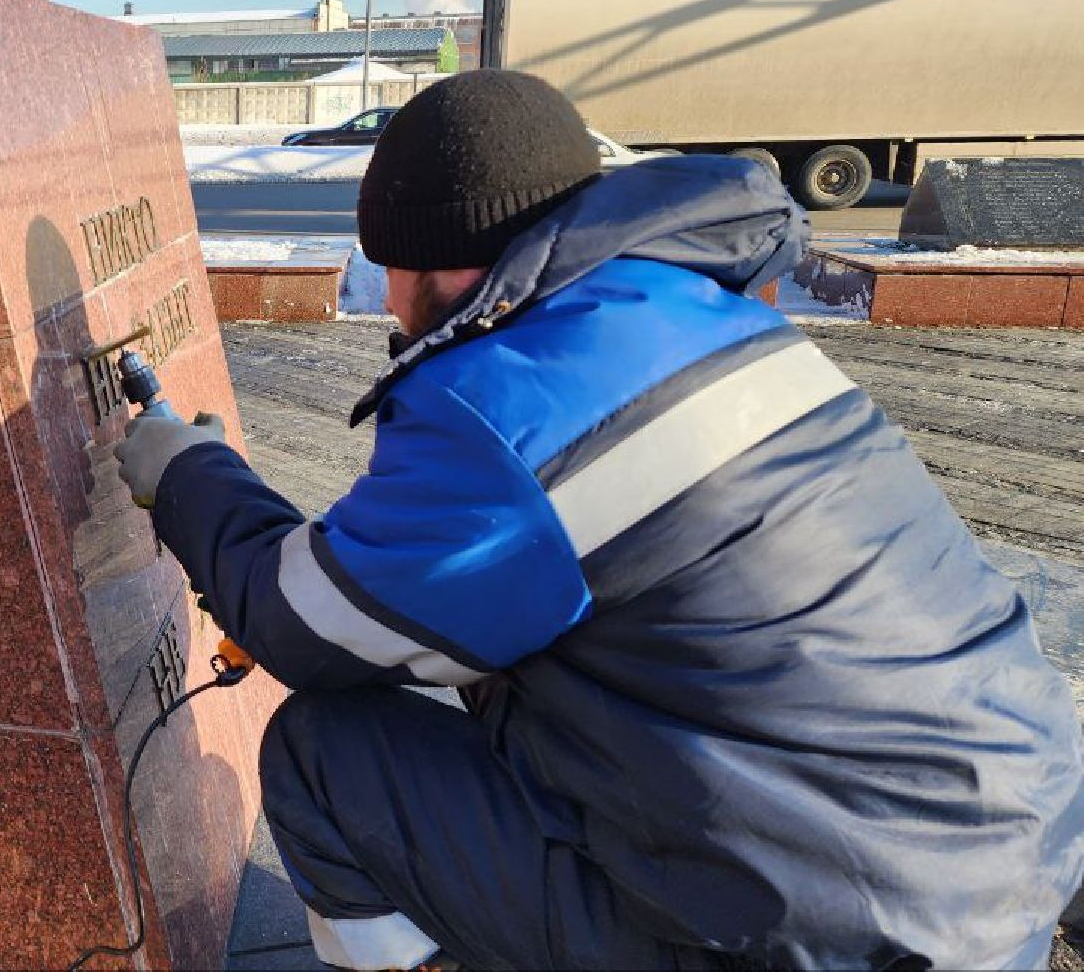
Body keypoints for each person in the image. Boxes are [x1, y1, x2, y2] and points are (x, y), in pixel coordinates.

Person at [115, 71, 1084, 970]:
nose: (386, 304)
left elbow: (304, 622)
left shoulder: (510, 406)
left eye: (387, 272)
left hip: (838, 939)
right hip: (996, 872)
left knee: (326, 755)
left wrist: (189, 475)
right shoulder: (694, 310)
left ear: (438, 268)